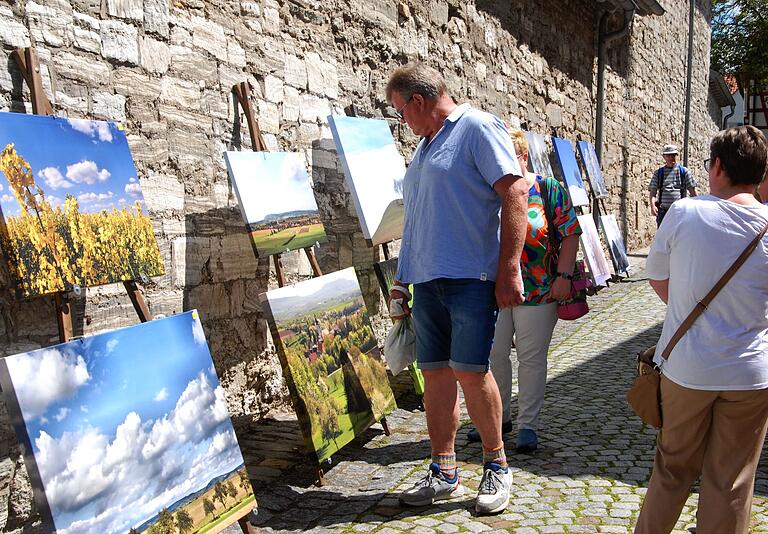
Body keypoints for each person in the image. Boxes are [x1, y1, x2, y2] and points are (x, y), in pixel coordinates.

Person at [385, 62, 529, 515]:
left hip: (471, 278)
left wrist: (509, 268)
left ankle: (496, 465)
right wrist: (402, 280)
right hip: (428, 282)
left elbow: (515, 194)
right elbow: (420, 219)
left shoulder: (477, 127)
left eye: (400, 112)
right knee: (436, 376)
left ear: (420, 101)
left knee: (471, 371)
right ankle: (444, 470)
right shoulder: (425, 147)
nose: (401, 123)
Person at [635, 125, 768, 534]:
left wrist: (687, 309)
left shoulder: (685, 212)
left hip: (688, 367)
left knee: (672, 468)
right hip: (751, 373)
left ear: (717, 168)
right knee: (731, 480)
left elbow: (656, 276)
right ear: (760, 175)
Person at [466, 130, 581, 453]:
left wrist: (563, 275)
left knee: (531, 359)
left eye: (510, 156)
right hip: (493, 288)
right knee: (494, 355)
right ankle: (497, 419)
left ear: (523, 157)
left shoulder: (547, 189)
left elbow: (570, 233)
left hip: (540, 289)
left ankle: (528, 424)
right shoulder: (488, 191)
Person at [648, 144, 696, 227]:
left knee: (679, 237)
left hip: (680, 212)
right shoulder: (658, 173)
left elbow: (692, 192)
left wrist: (695, 209)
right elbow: (653, 192)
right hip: (663, 212)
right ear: (664, 157)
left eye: (673, 155)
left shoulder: (684, 172)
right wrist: (652, 206)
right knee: (663, 238)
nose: (671, 158)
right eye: (668, 155)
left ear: (677, 156)